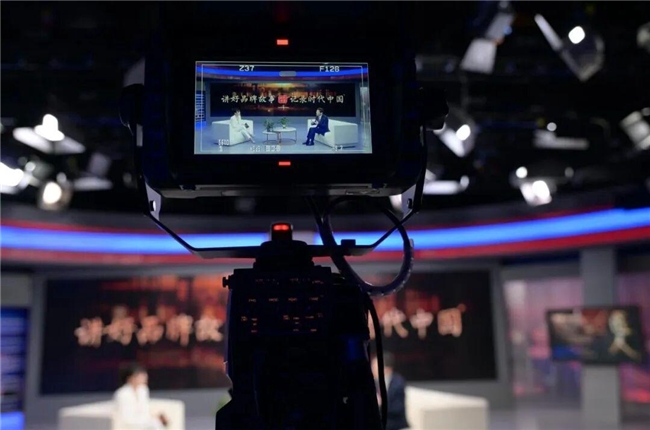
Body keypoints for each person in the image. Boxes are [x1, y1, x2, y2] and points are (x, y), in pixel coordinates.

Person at [114, 363, 168, 430]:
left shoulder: (143, 390)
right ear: (130, 378)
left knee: (156, 422)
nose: (145, 377)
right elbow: (126, 417)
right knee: (155, 424)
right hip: (129, 423)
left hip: (144, 422)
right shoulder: (122, 393)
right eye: (140, 375)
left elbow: (145, 410)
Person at [371, 351, 409, 430]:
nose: (372, 369)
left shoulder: (398, 383)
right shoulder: (372, 382)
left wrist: (381, 404)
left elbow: (398, 408)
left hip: (394, 423)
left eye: (375, 367)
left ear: (386, 369)